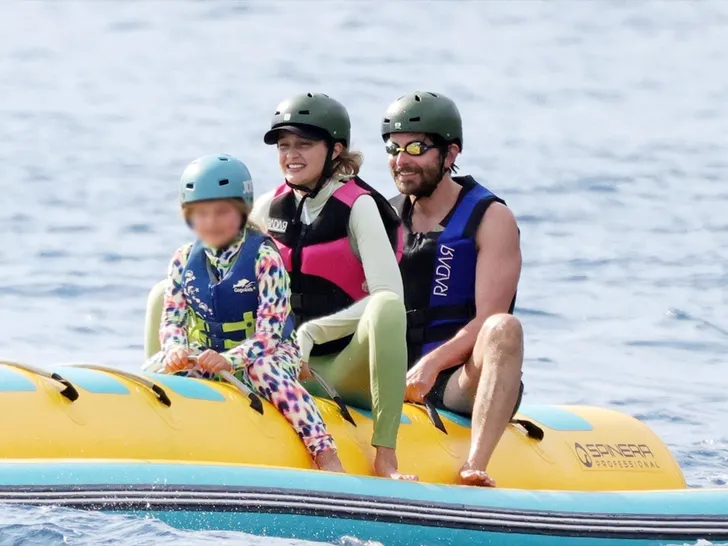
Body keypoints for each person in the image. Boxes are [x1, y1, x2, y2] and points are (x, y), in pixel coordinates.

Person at [250, 92, 417, 481]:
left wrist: (312, 333)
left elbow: (388, 296)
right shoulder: (267, 208)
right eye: (284, 145)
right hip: (282, 361)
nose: (291, 154)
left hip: (344, 365)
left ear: (336, 149)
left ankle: (386, 456)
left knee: (387, 307)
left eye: (304, 144)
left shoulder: (360, 207)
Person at [145, 153, 344, 473]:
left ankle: (323, 450)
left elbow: (269, 334)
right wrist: (173, 348)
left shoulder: (264, 257)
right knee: (153, 370)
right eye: (201, 214)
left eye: (222, 212)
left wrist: (231, 360)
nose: (210, 222)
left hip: (271, 354)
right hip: (209, 355)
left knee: (262, 369)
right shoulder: (183, 259)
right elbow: (173, 318)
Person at [381, 91, 524, 487]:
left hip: (462, 380)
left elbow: (488, 320)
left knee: (504, 329)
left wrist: (432, 364)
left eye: (417, 147)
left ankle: (474, 465)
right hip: (397, 373)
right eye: (394, 148)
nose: (402, 159)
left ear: (450, 154)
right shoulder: (382, 215)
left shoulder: (490, 217)